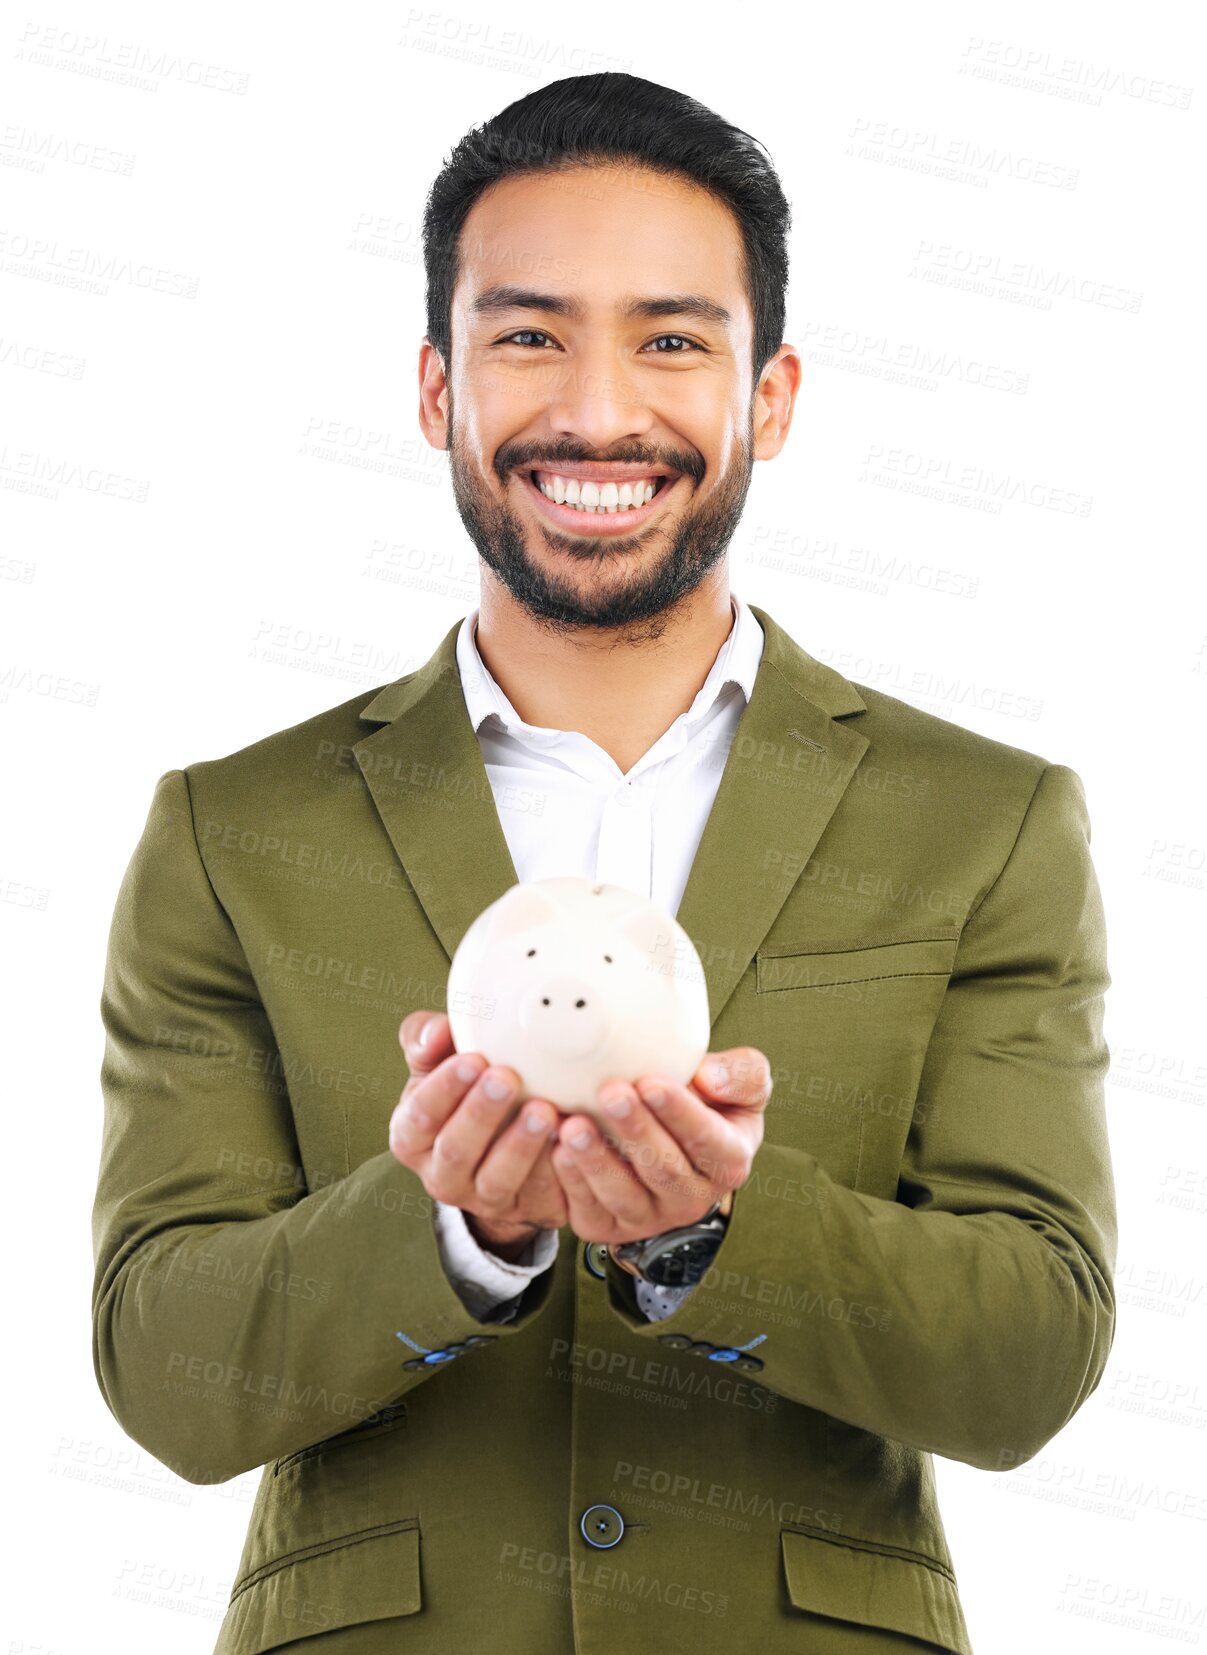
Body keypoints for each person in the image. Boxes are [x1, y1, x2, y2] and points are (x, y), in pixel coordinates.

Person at [91, 72, 1116, 1654]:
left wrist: (716, 1233)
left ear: (768, 397)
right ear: (437, 387)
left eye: (671, 339)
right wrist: (453, 1232)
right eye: (528, 335)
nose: (596, 411)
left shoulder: (979, 821)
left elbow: (1031, 1353)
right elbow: (164, 1369)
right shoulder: (234, 831)